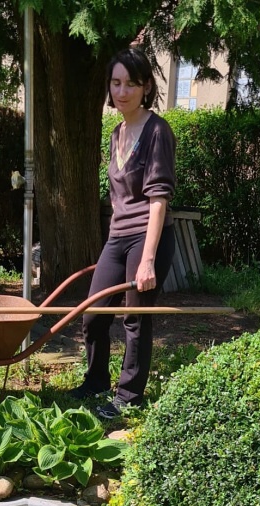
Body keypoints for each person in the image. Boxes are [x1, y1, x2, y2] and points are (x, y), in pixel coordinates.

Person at [70, 47, 176, 419]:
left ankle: (128, 396)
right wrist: (112, 244)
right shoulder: (117, 132)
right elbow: (118, 199)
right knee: (93, 314)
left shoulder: (157, 131)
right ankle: (96, 381)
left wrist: (147, 260)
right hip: (118, 238)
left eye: (131, 83)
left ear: (146, 86)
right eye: (116, 83)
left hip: (148, 237)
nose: (122, 91)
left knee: (135, 317)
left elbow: (158, 200)